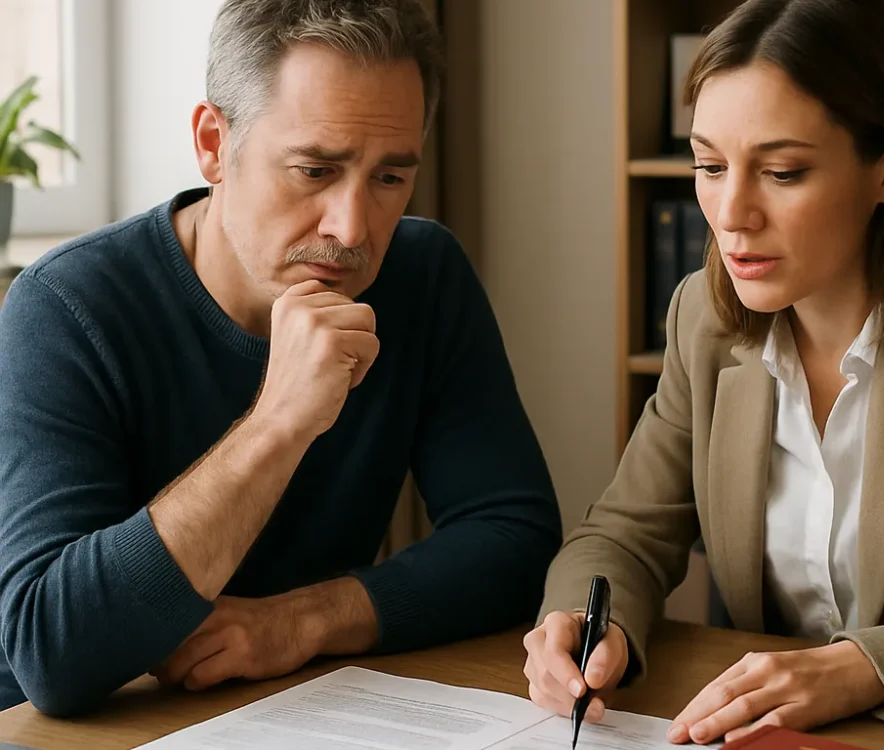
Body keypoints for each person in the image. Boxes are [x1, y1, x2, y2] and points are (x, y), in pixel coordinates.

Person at [0, 0, 562, 717]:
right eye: (314, 170)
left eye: (390, 178)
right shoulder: (66, 306)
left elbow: (515, 541)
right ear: (213, 144)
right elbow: (51, 654)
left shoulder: (423, 275)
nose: (352, 228)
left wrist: (306, 620)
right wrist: (278, 422)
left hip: (295, 707)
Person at [523, 0, 884, 744]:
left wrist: (865, 667)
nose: (731, 213)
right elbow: (625, 533)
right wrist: (586, 620)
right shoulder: (703, 321)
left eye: (781, 171)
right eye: (710, 166)